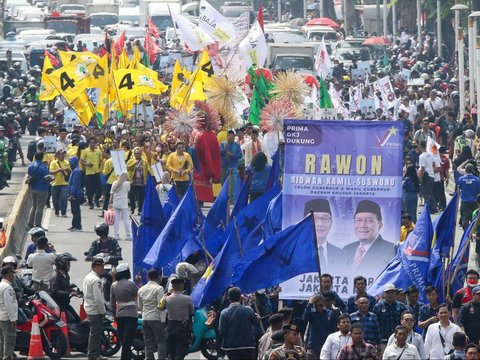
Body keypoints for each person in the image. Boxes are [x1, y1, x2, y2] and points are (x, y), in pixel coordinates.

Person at [342, 200, 396, 275]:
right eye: (359, 220)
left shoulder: (391, 250)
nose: (363, 225)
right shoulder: (346, 249)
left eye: (369, 221)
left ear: (380, 225)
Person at [303, 199, 343, 271]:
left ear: (331, 223)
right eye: (314, 218)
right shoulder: (293, 254)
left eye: (324, 219)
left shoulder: (341, 254)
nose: (320, 224)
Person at [219, 287, 257, 360]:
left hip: (231, 347)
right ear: (240, 297)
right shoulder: (248, 310)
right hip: (248, 345)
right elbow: (255, 323)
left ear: (228, 298)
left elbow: (221, 331)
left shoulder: (224, 313)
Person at [110, 263, 138, 360]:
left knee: (123, 339)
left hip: (119, 315)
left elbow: (112, 303)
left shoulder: (113, 285)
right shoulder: (131, 284)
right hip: (131, 315)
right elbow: (136, 296)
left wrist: (114, 314)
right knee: (128, 339)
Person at [137, 269, 166, 360]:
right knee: (160, 341)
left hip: (145, 318)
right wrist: (163, 320)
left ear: (147, 277)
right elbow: (161, 305)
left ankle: (149, 358)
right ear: (158, 277)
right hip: (156, 318)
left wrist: (144, 314)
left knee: (148, 341)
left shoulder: (141, 289)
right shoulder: (159, 288)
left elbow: (140, 306)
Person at [82, 257, 107, 360]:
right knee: (95, 334)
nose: (103, 269)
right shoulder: (96, 280)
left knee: (95, 333)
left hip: (89, 307)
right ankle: (93, 354)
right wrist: (103, 311)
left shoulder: (88, 277)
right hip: (95, 309)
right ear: (96, 267)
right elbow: (98, 298)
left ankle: (95, 353)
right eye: (102, 267)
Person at [164, 275, 194, 360]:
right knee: (181, 350)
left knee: (171, 350)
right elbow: (191, 311)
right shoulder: (187, 298)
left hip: (170, 326)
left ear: (172, 287)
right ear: (182, 286)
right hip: (182, 327)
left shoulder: (167, 298)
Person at [302, 293, 337, 359]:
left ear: (323, 302)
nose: (319, 307)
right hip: (313, 346)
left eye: (320, 305)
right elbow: (304, 318)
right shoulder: (311, 313)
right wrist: (310, 303)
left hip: (327, 346)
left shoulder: (330, 313)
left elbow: (334, 330)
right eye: (316, 306)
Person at [50, 252, 80, 323]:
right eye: (68, 264)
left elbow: (65, 287)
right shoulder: (55, 276)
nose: (69, 266)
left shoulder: (66, 275)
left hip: (65, 304)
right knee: (70, 322)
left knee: (78, 320)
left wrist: (71, 289)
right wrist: (69, 293)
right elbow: (56, 292)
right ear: (62, 264)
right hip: (59, 306)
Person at [27, 151, 52, 228]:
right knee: (40, 208)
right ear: (42, 157)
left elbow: (29, 176)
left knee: (33, 206)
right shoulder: (43, 166)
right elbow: (46, 178)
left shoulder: (30, 166)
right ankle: (38, 224)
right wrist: (52, 178)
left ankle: (30, 223)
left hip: (33, 188)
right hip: (42, 189)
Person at [0, 265, 18, 360]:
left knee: (1, 341)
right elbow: (10, 305)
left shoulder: (1, 285)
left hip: (1, 317)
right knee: (9, 341)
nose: (13, 276)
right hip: (7, 318)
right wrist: (13, 319)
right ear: (9, 274)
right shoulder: (7, 288)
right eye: (12, 274)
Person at [109, 171, 132, 241]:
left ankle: (116, 235)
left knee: (116, 220)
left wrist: (110, 203)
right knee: (125, 220)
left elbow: (111, 194)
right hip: (124, 203)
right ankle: (128, 235)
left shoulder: (114, 183)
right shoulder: (127, 184)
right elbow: (128, 191)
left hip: (116, 203)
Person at [81, 138, 103, 209]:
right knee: (89, 189)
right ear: (89, 143)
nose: (92, 144)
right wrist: (87, 164)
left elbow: (101, 159)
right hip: (89, 173)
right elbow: (82, 161)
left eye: (94, 142)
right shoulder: (85, 151)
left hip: (96, 172)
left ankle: (96, 198)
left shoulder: (98, 151)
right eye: (91, 142)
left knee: (100, 188)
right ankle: (91, 203)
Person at [418, 139, 438, 213]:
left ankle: (428, 209)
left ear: (420, 146)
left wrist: (420, 178)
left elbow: (422, 168)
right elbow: (434, 166)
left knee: (426, 194)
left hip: (426, 177)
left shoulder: (422, 156)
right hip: (431, 176)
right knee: (429, 193)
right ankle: (433, 208)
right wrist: (431, 171)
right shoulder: (430, 155)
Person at [457, 163, 480, 230]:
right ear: (473, 171)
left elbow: (458, 190)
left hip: (464, 202)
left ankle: (466, 235)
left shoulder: (461, 179)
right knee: (474, 219)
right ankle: (472, 233)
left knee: (464, 219)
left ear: (466, 170)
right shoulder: (477, 180)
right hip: (474, 202)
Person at [49, 148, 70, 217]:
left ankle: (63, 212)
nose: (62, 155)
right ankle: (57, 211)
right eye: (61, 154)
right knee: (55, 199)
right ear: (57, 155)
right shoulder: (53, 163)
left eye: (63, 154)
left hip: (64, 183)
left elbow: (70, 171)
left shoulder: (67, 162)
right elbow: (51, 172)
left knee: (64, 199)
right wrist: (59, 170)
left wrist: (68, 170)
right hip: (55, 183)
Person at [127, 147, 148, 214]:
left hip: (141, 182)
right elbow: (127, 168)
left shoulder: (144, 161)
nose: (137, 155)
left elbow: (146, 171)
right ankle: (132, 209)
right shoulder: (131, 160)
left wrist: (145, 181)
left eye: (139, 153)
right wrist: (134, 163)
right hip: (133, 182)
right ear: (134, 154)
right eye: (136, 153)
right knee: (132, 196)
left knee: (141, 197)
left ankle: (140, 210)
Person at [67, 156, 84, 231]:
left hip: (76, 194)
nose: (69, 164)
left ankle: (78, 226)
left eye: (70, 162)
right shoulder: (73, 170)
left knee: (76, 210)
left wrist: (72, 194)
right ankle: (74, 225)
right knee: (74, 210)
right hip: (73, 193)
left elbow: (75, 183)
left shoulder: (76, 171)